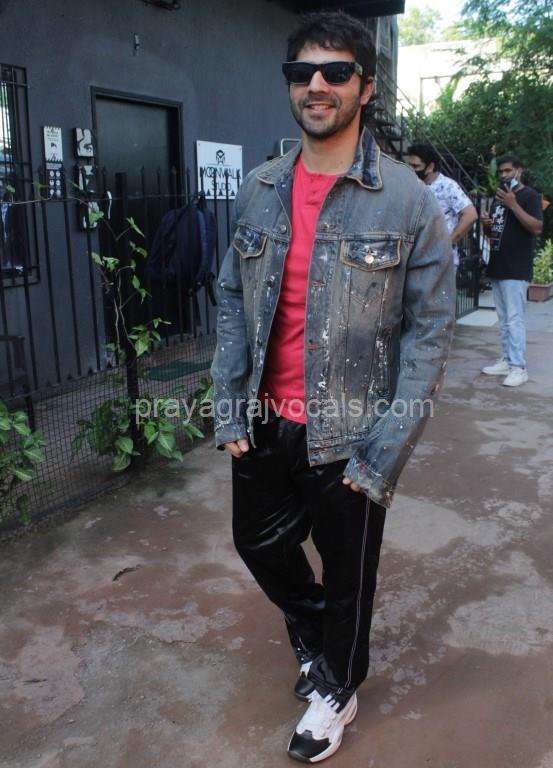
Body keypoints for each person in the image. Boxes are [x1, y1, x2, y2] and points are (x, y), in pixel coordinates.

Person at [211, 11, 455, 763]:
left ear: (365, 87)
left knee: (350, 575)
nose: (316, 85)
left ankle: (337, 687)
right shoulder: (259, 188)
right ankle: (324, 643)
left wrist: (386, 449)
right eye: (302, 72)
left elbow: (429, 335)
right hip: (265, 419)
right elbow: (230, 294)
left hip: (353, 430)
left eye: (335, 72)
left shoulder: (407, 202)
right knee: (257, 543)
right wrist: (227, 403)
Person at [481, 154, 543, 387]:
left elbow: (537, 228)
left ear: (519, 171)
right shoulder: (499, 198)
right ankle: (507, 360)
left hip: (517, 267)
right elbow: (495, 233)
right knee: (504, 319)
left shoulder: (529, 196)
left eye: (508, 171)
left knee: (515, 319)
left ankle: (519, 367)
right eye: (501, 172)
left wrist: (513, 204)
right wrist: (486, 226)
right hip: (498, 265)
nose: (504, 175)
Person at [406, 143, 478, 270]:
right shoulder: (412, 185)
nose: (411, 170)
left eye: (416, 166)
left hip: (440, 262)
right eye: (409, 165)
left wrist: (449, 242)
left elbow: (470, 215)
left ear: (430, 167)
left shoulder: (448, 186)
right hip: (415, 259)